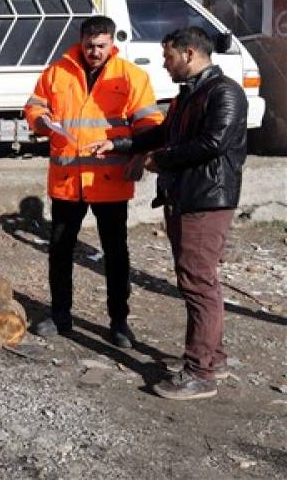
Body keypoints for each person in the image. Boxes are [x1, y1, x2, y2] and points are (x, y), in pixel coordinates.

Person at [87, 26, 247, 400]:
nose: (164, 63)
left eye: (168, 55)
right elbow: (162, 134)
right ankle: (213, 357)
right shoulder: (189, 95)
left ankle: (199, 374)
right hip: (186, 198)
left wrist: (159, 160)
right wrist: (118, 143)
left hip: (205, 201)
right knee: (201, 281)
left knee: (197, 284)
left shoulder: (224, 93)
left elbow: (213, 142)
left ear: (189, 54)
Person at [23, 15, 164, 347]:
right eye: (89, 45)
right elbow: (33, 107)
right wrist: (42, 121)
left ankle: (119, 322)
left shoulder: (131, 76)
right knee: (60, 250)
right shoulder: (57, 72)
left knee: (116, 253)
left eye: (101, 46)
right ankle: (60, 315)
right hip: (68, 180)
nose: (95, 52)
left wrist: (140, 154)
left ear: (112, 42)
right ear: (80, 40)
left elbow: (149, 122)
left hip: (110, 180)